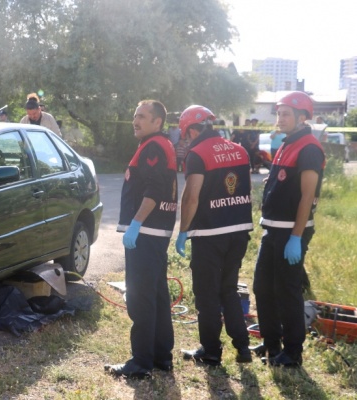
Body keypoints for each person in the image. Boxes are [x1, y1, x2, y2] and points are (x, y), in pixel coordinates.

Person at [175, 105, 254, 366]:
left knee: (207, 294)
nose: (185, 141)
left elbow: (191, 197)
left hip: (209, 234)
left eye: (186, 135)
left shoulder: (198, 154)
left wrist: (183, 231)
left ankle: (210, 351)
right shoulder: (240, 150)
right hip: (239, 232)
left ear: (194, 130)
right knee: (229, 290)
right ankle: (243, 348)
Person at [104, 100, 177, 379]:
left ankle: (141, 361)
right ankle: (161, 357)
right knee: (157, 296)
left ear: (157, 122)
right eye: (134, 115)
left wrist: (135, 223)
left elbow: (154, 190)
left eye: (142, 117)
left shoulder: (154, 146)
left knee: (141, 298)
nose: (136, 120)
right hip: (153, 233)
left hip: (146, 233)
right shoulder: (158, 144)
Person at [252, 91, 325, 367]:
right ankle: (272, 343)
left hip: (290, 233)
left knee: (287, 290)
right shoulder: (287, 143)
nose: (279, 118)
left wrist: (295, 238)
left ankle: (292, 352)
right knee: (262, 287)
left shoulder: (309, 148)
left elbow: (307, 196)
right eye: (279, 113)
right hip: (272, 230)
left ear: (302, 117)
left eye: (286, 114)